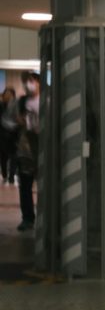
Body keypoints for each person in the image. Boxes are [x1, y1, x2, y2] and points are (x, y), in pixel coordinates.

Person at [15, 73, 40, 232]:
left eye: (31, 81)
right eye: (25, 82)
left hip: (44, 146)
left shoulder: (48, 98)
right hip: (26, 149)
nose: (28, 85)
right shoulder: (22, 101)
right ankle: (28, 218)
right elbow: (14, 120)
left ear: (39, 82)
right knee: (25, 185)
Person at [0, 87, 19, 184]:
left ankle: (11, 176)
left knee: (14, 156)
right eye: (6, 94)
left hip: (13, 135)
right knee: (3, 157)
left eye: (10, 94)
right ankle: (4, 175)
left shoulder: (16, 106)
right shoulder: (1, 105)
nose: (7, 96)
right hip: (2, 135)